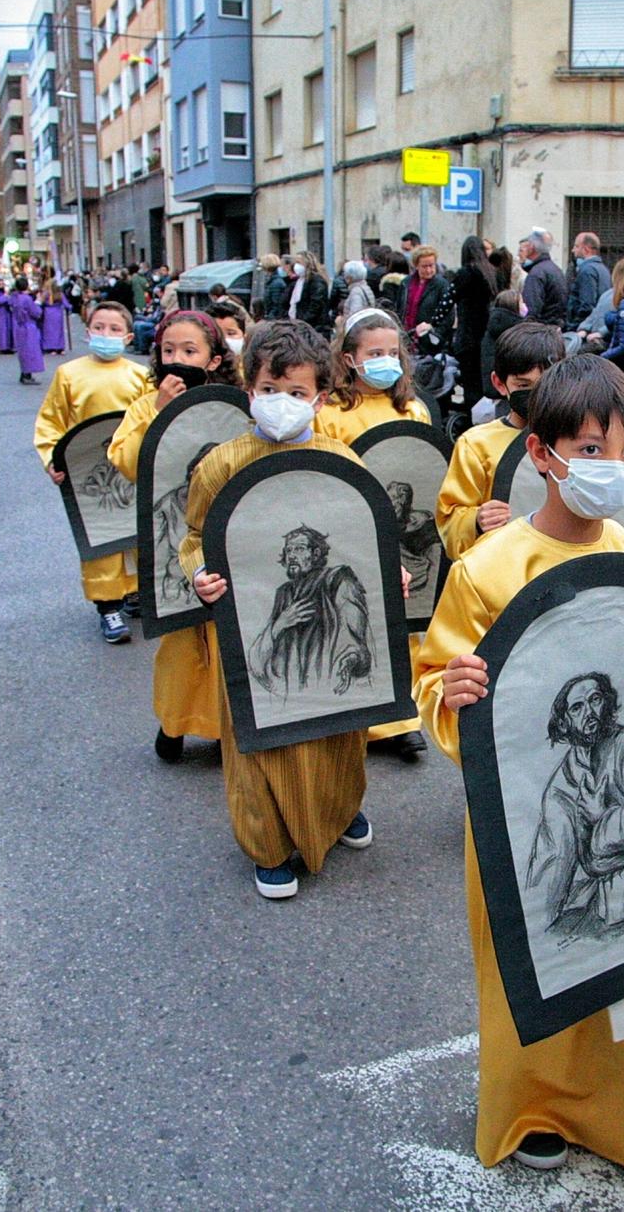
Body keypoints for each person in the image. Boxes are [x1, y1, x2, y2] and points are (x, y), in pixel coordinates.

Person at [414, 352, 624, 1183]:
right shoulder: (488, 570)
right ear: (543, 452)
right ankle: (539, 1104)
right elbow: (433, 682)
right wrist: (453, 690)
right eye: (591, 449)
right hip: (527, 820)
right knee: (537, 954)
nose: (615, 470)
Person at [181, 324, 383, 900]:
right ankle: (268, 846)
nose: (283, 403)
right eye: (271, 388)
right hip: (251, 625)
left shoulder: (341, 461)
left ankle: (339, 810)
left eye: (297, 393)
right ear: (249, 388)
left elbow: (364, 538)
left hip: (328, 632)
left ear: (320, 397)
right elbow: (194, 535)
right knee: (256, 737)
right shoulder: (222, 464)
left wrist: (384, 574)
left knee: (340, 726)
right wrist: (199, 573)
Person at [107, 310, 237, 764]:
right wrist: (159, 412)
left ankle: (224, 726)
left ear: (215, 358)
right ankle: (174, 723)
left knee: (224, 637)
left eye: (189, 351)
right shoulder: (146, 404)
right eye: (168, 351)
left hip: (219, 533)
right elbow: (126, 460)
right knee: (180, 642)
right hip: (170, 534)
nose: (177, 359)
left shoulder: (231, 403)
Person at [314, 308, 434, 762]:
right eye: (373, 353)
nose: (385, 360)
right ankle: (354, 718)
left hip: (399, 532)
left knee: (401, 627)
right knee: (351, 619)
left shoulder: (413, 409)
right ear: (348, 359)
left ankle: (400, 721)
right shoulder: (333, 414)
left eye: (391, 352)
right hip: (348, 528)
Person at [33, 301, 154, 645]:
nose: (106, 334)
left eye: (115, 329)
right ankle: (107, 605)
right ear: (87, 331)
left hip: (128, 466)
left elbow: (148, 419)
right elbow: (51, 423)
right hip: (88, 470)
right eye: (99, 327)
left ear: (128, 336)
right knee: (100, 537)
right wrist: (54, 462)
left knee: (136, 532)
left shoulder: (138, 375)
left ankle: (134, 592)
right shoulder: (69, 374)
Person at [437, 323, 566, 562]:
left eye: (545, 383)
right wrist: (475, 520)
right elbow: (449, 520)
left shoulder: (574, 440)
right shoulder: (476, 444)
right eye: (523, 385)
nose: (536, 394)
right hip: (502, 568)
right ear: (499, 383)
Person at [450, 235, 499, 422]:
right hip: (485, 336)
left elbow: (448, 299)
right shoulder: (490, 273)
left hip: (467, 337)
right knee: (482, 382)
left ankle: (473, 423)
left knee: (470, 384)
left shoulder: (465, 274)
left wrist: (431, 322)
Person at [398, 244, 452, 352]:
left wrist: (434, 334)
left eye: (431, 265)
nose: (429, 270)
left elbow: (448, 315)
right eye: (424, 266)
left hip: (429, 342)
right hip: (407, 338)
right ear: (416, 266)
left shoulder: (442, 285)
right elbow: (400, 308)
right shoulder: (406, 283)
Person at [519, 228, 568, 325]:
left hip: (541, 329)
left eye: (527, 245)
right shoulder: (556, 270)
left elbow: (531, 309)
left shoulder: (536, 274)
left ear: (532, 247)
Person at [568, 232, 611, 328]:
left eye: (576, 246)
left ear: (586, 249)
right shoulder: (602, 269)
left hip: (583, 328)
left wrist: (575, 326)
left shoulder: (587, 270)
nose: (573, 250)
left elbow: (587, 304)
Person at [39, 278, 70, 354]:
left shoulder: (46, 294)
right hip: (58, 312)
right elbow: (66, 304)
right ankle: (59, 347)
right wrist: (68, 308)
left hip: (48, 313)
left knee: (49, 331)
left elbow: (40, 303)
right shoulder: (59, 294)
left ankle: (51, 347)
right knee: (58, 331)